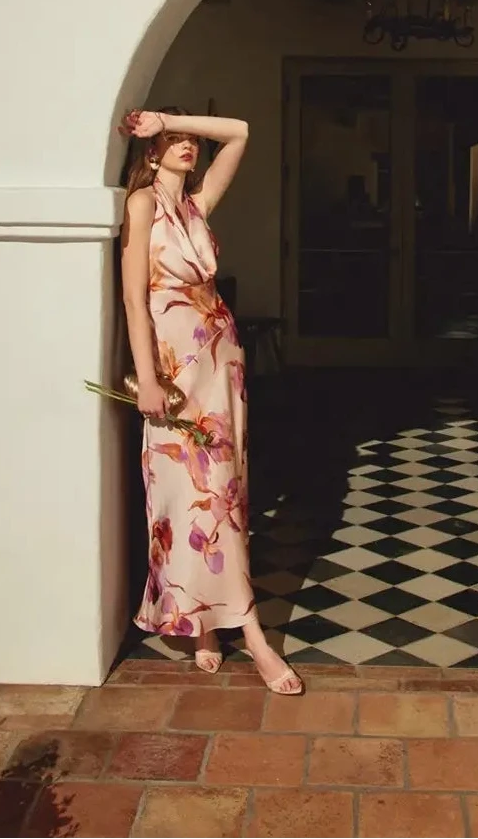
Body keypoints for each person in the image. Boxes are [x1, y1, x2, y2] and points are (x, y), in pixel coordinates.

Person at [119, 106, 303, 695]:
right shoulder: (142, 205)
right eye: (173, 140)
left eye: (188, 139)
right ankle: (234, 632)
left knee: (225, 496)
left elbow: (243, 131)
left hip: (221, 364)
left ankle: (225, 629)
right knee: (186, 503)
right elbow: (132, 299)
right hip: (175, 371)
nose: (187, 145)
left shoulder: (196, 205)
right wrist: (146, 378)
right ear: (148, 151)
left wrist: (170, 116)